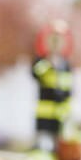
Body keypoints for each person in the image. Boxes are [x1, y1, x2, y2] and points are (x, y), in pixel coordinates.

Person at [32, 20, 73, 152]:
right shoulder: (41, 61)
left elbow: (68, 90)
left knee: (58, 147)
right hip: (44, 111)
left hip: (59, 113)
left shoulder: (66, 65)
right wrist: (48, 63)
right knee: (41, 145)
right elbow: (35, 74)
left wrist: (67, 112)